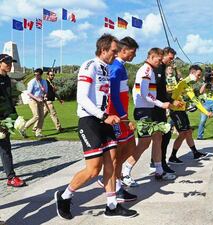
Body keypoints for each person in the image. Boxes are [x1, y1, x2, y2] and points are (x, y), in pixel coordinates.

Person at [54, 34, 137, 220]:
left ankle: (112, 205)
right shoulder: (89, 66)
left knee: (113, 161)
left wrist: (114, 116)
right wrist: (104, 116)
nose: (116, 55)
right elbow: (82, 98)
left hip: (105, 120)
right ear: (103, 50)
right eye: (114, 52)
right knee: (93, 169)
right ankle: (65, 195)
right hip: (90, 121)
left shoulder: (106, 68)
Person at [122, 47, 175, 181]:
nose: (160, 62)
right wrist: (161, 104)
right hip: (143, 110)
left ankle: (159, 170)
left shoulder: (150, 69)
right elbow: (144, 93)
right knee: (144, 143)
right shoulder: (146, 70)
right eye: (158, 59)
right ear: (152, 56)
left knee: (158, 138)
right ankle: (125, 171)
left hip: (149, 109)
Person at [97, 37, 141, 199]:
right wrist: (124, 117)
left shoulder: (119, 66)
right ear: (123, 51)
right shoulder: (115, 67)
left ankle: (113, 179)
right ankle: (115, 185)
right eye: (133, 52)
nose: (134, 55)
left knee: (130, 147)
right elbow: (114, 95)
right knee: (118, 153)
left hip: (122, 115)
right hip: (117, 117)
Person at [168, 65, 213, 164]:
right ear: (192, 73)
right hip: (175, 111)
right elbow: (173, 96)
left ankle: (195, 153)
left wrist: (206, 112)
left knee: (188, 132)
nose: (199, 78)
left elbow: (196, 101)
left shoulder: (188, 85)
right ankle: (172, 157)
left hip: (181, 111)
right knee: (183, 134)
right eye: (198, 75)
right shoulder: (183, 83)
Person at [0, 54, 26, 187]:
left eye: (11, 62)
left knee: (5, 148)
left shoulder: (8, 79)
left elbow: (10, 100)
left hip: (6, 118)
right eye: (7, 62)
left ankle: (11, 177)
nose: (10, 64)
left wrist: (14, 117)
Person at [20, 68, 48, 138]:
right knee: (36, 116)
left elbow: (45, 92)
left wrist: (44, 96)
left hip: (41, 100)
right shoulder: (32, 82)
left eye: (37, 75)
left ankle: (38, 132)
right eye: (35, 74)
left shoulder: (44, 82)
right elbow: (29, 93)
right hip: (33, 100)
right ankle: (23, 128)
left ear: (41, 75)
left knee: (41, 117)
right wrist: (37, 99)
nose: (36, 76)